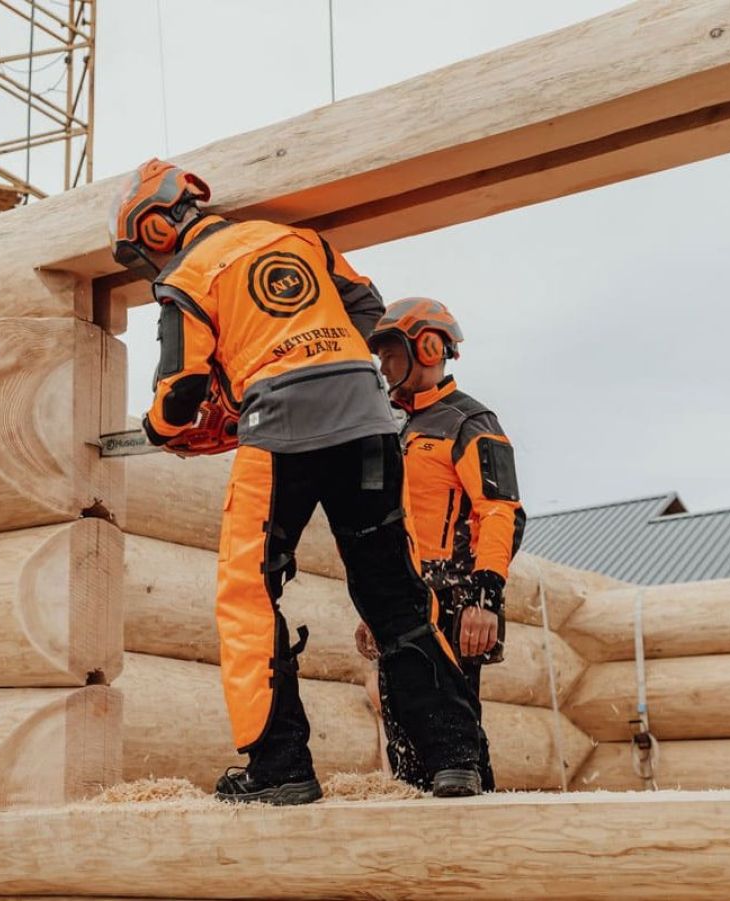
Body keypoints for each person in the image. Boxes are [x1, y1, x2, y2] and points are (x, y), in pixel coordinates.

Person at [109, 159, 489, 803]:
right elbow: (374, 318)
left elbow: (180, 394)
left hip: (280, 430)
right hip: (369, 422)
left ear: (151, 227)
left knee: (248, 593)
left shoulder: (185, 278)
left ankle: (278, 766)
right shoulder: (299, 240)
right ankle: (454, 757)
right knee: (393, 592)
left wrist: (165, 430)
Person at [357, 297, 526, 791]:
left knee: (455, 740)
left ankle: (479, 835)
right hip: (403, 596)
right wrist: (375, 606)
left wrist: (484, 599)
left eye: (390, 355)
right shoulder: (400, 429)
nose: (384, 367)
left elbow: (500, 511)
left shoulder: (469, 420)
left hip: (455, 595)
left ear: (428, 348)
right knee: (404, 735)